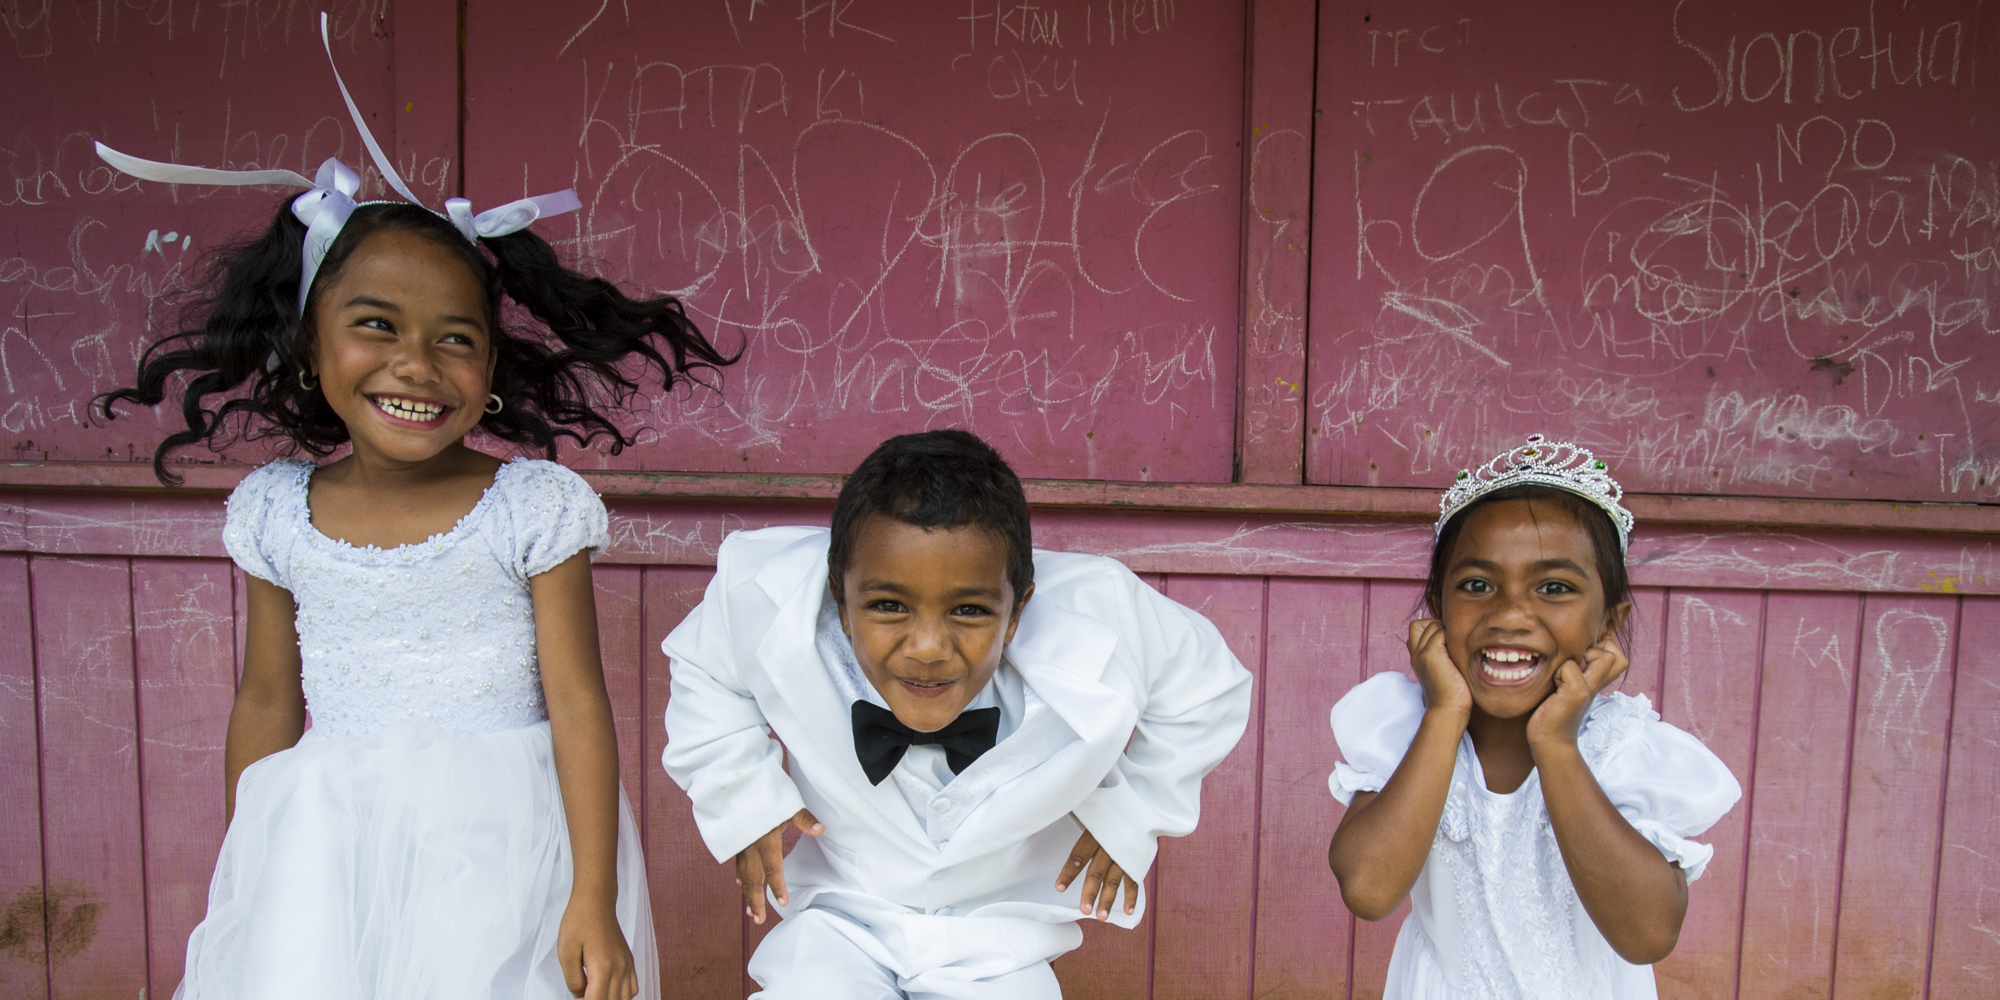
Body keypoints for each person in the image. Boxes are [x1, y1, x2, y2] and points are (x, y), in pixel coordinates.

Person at [91, 18, 737, 998]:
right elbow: (267, 698)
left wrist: (591, 893)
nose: (414, 366)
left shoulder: (527, 508)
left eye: (453, 339)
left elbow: (576, 702)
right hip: (328, 840)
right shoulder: (277, 513)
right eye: (376, 327)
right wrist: (254, 867)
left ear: (488, 372)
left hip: (505, 844)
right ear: (310, 349)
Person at [660, 429, 1253, 999]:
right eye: (889, 606)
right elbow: (705, 667)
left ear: (1017, 612)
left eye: (968, 610)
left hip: (998, 939)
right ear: (839, 601)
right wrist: (742, 796)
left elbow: (1210, 688)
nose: (927, 648)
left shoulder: (1103, 613)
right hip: (841, 917)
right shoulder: (771, 597)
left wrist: (1133, 811)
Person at [1325, 435, 1742, 999]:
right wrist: (1446, 712)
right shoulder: (1408, 731)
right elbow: (1369, 890)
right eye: (1477, 585)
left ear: (1608, 621)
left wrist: (1557, 744)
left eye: (1554, 587)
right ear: (1437, 608)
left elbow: (1646, 936)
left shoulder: (1621, 750)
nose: (1511, 614)